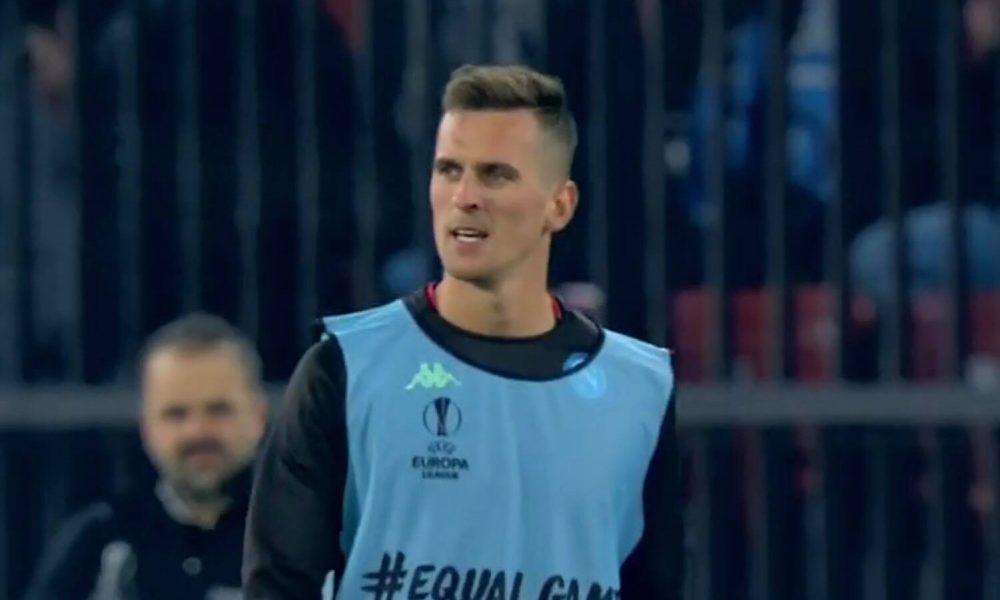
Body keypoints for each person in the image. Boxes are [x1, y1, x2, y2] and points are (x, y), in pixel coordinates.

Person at [243, 64, 683, 599]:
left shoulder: (640, 390)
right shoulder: (346, 369)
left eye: (496, 174)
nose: (465, 196)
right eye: (450, 170)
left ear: (560, 205)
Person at [23, 314, 268, 600]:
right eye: (176, 414)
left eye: (218, 410)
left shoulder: (302, 539)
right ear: (146, 425)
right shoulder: (96, 546)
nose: (197, 430)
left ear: (258, 415)